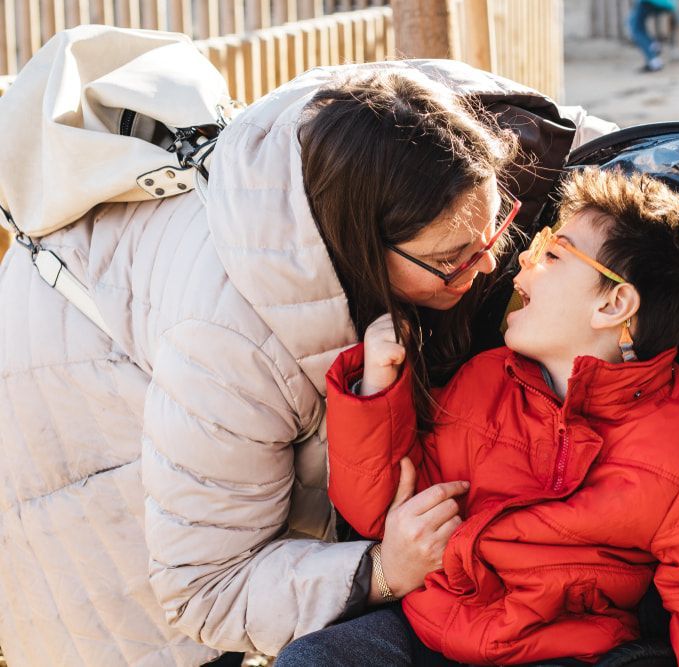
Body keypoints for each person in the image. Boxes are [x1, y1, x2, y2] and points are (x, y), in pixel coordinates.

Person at [0, 30, 615, 667]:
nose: (488, 267)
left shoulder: (398, 122)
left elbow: (569, 133)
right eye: (450, 259)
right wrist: (382, 569)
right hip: (69, 400)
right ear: (361, 248)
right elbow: (204, 589)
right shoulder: (232, 349)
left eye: (497, 228)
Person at [280, 167, 679, 666]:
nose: (524, 256)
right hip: (429, 627)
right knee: (313, 658)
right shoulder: (483, 379)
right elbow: (371, 510)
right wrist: (376, 388)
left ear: (614, 304)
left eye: (553, 251)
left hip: (563, 647)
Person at [628, 0, 676, 72]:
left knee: (636, 28)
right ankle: (654, 46)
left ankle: (654, 60)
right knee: (637, 24)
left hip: (650, 2)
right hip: (664, 3)